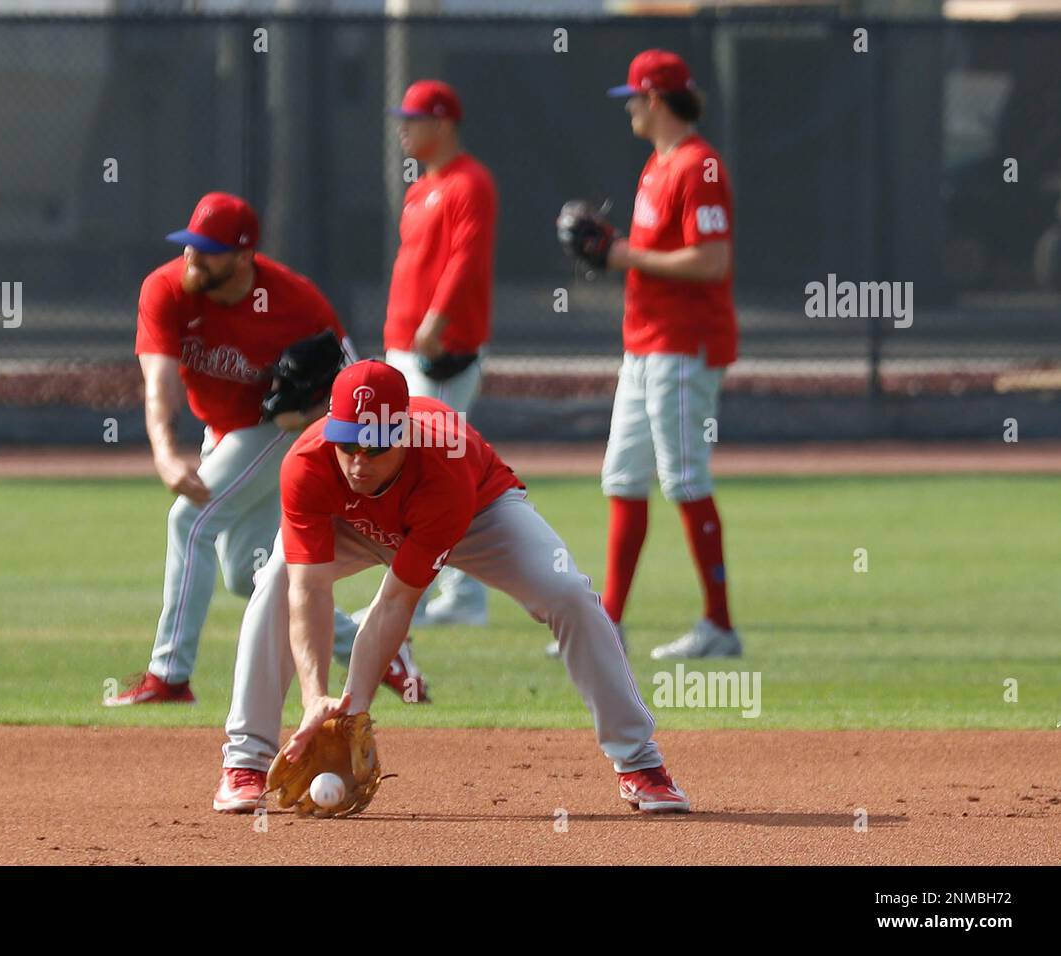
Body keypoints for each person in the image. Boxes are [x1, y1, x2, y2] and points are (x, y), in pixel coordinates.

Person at [211, 360, 689, 815]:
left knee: (568, 593)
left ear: (405, 432)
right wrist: (317, 700)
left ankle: (640, 762)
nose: (358, 462)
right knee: (276, 579)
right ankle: (245, 761)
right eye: (347, 444)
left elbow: (395, 600)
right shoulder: (308, 463)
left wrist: (352, 710)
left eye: (375, 446)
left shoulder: (443, 468)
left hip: (477, 514)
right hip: (353, 524)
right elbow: (309, 591)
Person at [105, 192, 427, 707]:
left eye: (207, 249)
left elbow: (355, 382)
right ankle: (377, 649)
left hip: (280, 428)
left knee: (189, 521)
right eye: (189, 245)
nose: (192, 256)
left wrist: (320, 424)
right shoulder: (166, 289)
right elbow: (159, 384)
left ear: (242, 254)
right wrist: (166, 454)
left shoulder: (295, 300)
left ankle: (169, 676)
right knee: (250, 572)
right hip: (224, 433)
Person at [557, 50, 742, 661]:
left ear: (656, 100)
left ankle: (719, 625)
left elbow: (710, 261)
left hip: (684, 344)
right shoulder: (655, 165)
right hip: (645, 343)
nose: (630, 108)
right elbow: (650, 251)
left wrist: (622, 255)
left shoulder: (699, 165)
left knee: (685, 479)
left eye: (634, 98)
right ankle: (609, 623)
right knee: (623, 477)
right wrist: (618, 247)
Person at [355, 79, 497, 629]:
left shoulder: (470, 182)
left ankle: (461, 598)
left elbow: (466, 259)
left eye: (412, 119)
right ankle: (445, 592)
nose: (402, 129)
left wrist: (436, 322)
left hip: (441, 349)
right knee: (421, 470)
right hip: (406, 346)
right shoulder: (423, 187)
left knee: (434, 470)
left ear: (443, 123)